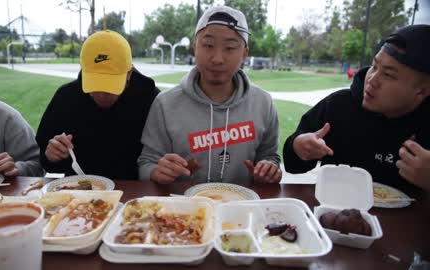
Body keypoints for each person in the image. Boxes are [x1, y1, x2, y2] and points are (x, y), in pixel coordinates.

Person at [138, 6, 282, 185]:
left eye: (230, 48)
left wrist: (268, 169)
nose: (217, 58)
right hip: (183, 209)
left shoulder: (263, 103)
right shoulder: (165, 104)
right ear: (194, 48)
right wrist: (156, 172)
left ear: (245, 53)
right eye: (208, 45)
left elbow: (270, 156)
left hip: (240, 208)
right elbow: (147, 162)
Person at [283, 24, 430, 191]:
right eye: (374, 66)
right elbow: (293, 164)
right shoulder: (338, 105)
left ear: (422, 91)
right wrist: (298, 147)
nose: (372, 80)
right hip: (334, 212)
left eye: (388, 74)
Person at [36, 30, 159, 180]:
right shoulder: (66, 98)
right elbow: (43, 160)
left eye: (110, 85)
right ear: (83, 70)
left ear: (129, 73)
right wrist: (51, 156)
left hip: (135, 193)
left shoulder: (151, 99)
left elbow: (157, 160)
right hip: (78, 194)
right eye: (95, 84)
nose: (102, 94)